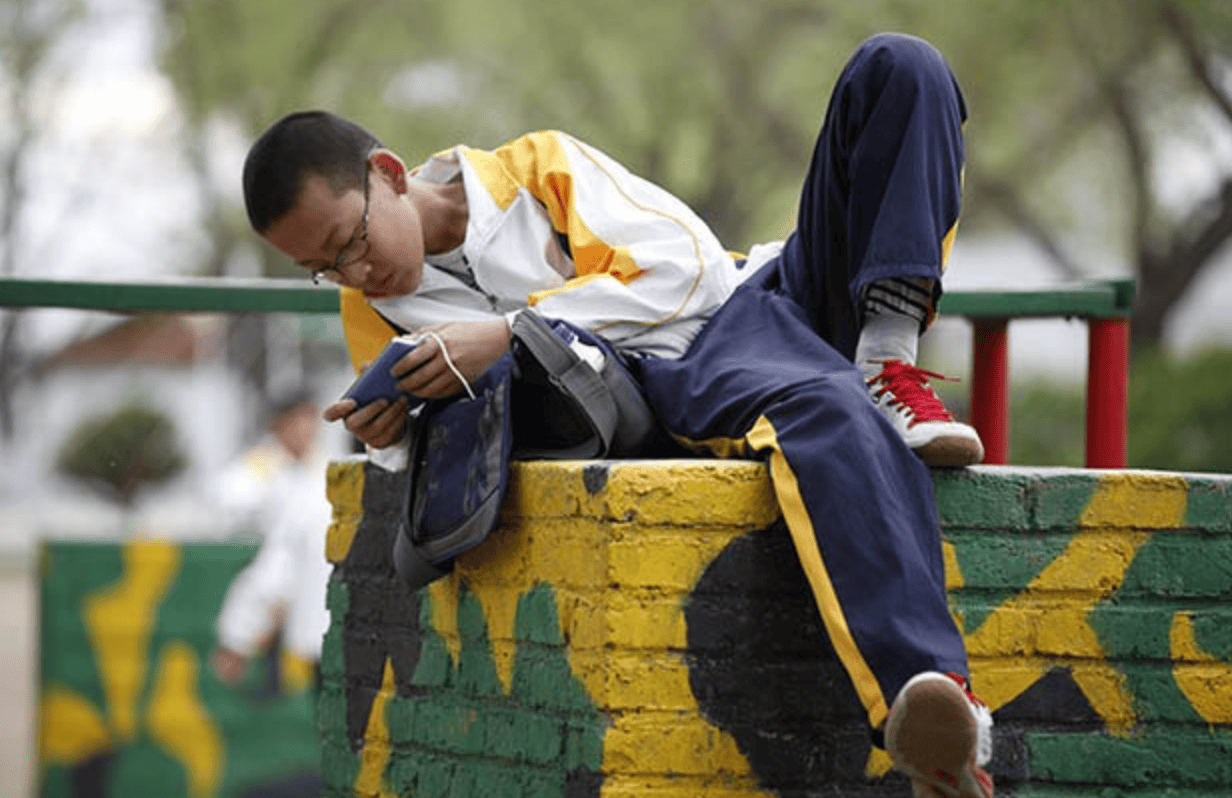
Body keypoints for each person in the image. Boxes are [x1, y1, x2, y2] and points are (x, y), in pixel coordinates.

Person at [242, 33, 993, 798]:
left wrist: (508, 332)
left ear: (389, 174)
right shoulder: (374, 311)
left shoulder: (530, 173)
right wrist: (389, 437)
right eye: (324, 270)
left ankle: (888, 357)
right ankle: (927, 702)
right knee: (826, 410)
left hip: (761, 291)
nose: (355, 273)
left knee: (899, 69)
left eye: (351, 241)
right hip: (680, 374)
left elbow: (689, 269)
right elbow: (419, 449)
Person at [210, 392, 333, 698]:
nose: (307, 429)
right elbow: (275, 559)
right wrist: (240, 633)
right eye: (298, 420)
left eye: (310, 419)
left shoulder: (327, 470)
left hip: (324, 624)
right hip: (295, 628)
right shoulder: (258, 471)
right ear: (279, 425)